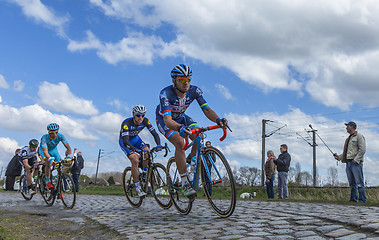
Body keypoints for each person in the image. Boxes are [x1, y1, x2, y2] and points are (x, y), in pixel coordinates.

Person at [155, 64, 228, 197]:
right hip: (166, 120)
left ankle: (193, 168)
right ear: (174, 81)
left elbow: (206, 110)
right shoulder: (165, 93)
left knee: (199, 135)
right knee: (179, 142)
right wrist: (179, 128)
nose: (186, 83)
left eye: (188, 79)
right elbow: (167, 120)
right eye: (182, 80)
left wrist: (218, 121)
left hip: (182, 117)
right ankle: (184, 181)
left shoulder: (195, 91)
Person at [119, 104, 163, 197]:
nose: (141, 118)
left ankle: (144, 173)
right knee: (135, 159)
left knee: (147, 151)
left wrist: (159, 144)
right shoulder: (127, 124)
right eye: (138, 115)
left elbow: (154, 133)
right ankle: (138, 186)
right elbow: (126, 141)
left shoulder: (146, 121)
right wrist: (136, 150)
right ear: (134, 115)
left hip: (136, 139)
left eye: (143, 115)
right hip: (125, 142)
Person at [333, 121, 367, 203]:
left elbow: (362, 149)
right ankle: (353, 200)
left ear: (352, 127)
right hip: (348, 163)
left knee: (359, 182)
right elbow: (346, 153)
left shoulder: (359, 136)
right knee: (352, 184)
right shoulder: (348, 139)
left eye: (347, 126)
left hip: (355, 163)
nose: (346, 128)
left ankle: (362, 200)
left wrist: (356, 160)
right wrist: (338, 157)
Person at [39, 123, 72, 190]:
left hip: (54, 151)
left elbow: (68, 148)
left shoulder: (60, 136)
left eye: (56, 132)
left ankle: (58, 185)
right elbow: (45, 152)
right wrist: (50, 159)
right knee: (48, 163)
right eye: (52, 133)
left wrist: (69, 156)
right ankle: (48, 181)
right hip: (44, 151)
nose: (55, 135)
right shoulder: (44, 138)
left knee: (60, 165)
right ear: (49, 133)